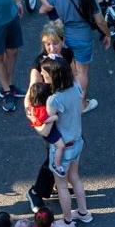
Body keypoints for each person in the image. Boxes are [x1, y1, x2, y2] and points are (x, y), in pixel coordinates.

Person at [39, 0, 111, 111]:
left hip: (64, 38)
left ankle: (66, 100)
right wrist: (107, 34)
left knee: (70, 70)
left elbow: (44, 9)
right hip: (83, 38)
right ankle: (82, 104)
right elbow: (100, 21)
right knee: (82, 72)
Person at [25, 23, 77, 210]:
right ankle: (36, 192)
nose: (51, 48)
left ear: (62, 41)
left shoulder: (67, 54)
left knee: (67, 148)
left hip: (64, 110)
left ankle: (56, 183)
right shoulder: (40, 62)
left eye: (55, 43)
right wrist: (31, 112)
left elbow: (74, 74)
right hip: (49, 112)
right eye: (47, 44)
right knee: (54, 153)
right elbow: (32, 90)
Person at [39, 55, 94, 227]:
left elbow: (47, 128)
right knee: (74, 178)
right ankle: (83, 212)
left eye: (45, 72)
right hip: (77, 142)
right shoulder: (76, 87)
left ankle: (68, 222)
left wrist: (39, 122)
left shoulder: (54, 100)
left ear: (53, 75)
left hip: (62, 148)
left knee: (62, 185)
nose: (42, 74)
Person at [28, 81, 67, 176]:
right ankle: (57, 165)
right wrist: (54, 117)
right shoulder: (42, 109)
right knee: (61, 146)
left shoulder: (33, 106)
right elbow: (44, 120)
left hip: (45, 130)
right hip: (50, 133)